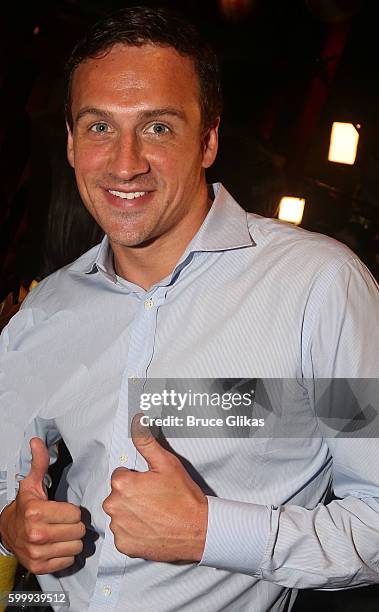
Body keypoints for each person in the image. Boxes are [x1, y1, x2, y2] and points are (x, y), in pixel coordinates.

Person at [0, 6, 378, 612]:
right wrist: (13, 524)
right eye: (99, 127)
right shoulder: (46, 311)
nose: (125, 163)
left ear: (208, 140)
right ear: (70, 144)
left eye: (158, 128)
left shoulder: (316, 290)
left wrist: (211, 531)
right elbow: (6, 471)